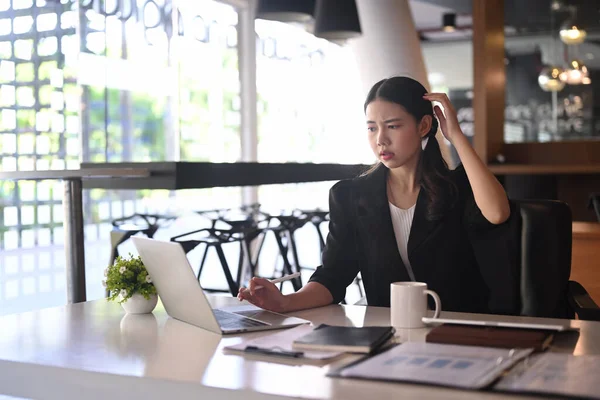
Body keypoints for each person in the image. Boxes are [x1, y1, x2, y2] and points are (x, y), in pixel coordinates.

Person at [238, 76, 520, 315]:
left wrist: (455, 135)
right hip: (389, 336)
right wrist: (284, 302)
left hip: (462, 333)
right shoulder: (349, 196)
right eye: (372, 128)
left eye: (393, 126)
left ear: (423, 126)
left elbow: (498, 213)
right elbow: (332, 277)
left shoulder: (456, 187)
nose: (380, 139)